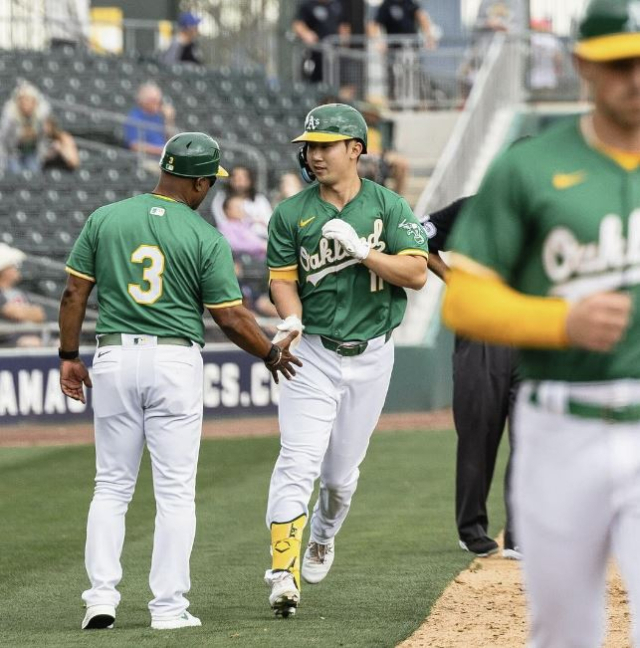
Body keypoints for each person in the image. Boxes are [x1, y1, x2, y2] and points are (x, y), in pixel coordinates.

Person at [442, 1, 640, 644]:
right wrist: (560, 321)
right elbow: (464, 303)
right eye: (618, 66)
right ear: (584, 67)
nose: (634, 79)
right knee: (562, 631)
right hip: (562, 426)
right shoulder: (525, 170)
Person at [58, 132, 301, 631]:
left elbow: (72, 295)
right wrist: (271, 353)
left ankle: (100, 599)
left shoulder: (105, 218)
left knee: (110, 486)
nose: (210, 188)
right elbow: (232, 318)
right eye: (209, 181)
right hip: (173, 360)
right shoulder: (205, 235)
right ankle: (167, 608)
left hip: (115, 356)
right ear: (195, 181)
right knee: (174, 494)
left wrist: (67, 357)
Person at [263, 103, 429, 617]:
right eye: (310, 146)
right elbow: (282, 279)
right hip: (312, 352)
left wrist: (363, 253)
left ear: (355, 149)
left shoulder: (391, 206)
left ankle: (323, 534)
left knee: (339, 477)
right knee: (297, 460)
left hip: (373, 353)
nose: (314, 155)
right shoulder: (291, 213)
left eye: (325, 145)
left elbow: (417, 273)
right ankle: (282, 573)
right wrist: (290, 319)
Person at [421, 198, 520, 559]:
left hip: (535, 332)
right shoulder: (472, 209)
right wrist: (450, 276)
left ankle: (521, 533)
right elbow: (417, 236)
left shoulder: (556, 211)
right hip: (482, 332)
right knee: (479, 431)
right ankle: (472, 528)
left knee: (533, 436)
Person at [367, 0, 438, 104]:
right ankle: (395, 103)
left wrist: (429, 37)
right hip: (394, 52)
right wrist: (378, 42)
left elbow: (422, 17)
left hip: (411, 49)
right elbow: (373, 25)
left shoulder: (409, 3)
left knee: (413, 77)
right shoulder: (387, 5)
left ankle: (415, 103)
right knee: (395, 79)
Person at [292, 0, 350, 84]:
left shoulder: (337, 5)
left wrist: (345, 42)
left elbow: (344, 25)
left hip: (335, 53)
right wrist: (307, 34)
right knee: (316, 81)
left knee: (340, 81)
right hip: (316, 54)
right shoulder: (308, 4)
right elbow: (298, 24)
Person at [0, 81, 51, 174]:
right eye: (23, 100)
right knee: (15, 172)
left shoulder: (41, 116)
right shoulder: (10, 116)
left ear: (35, 102)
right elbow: (3, 139)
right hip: (13, 152)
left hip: (32, 152)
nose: (26, 104)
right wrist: (20, 136)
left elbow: (45, 138)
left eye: (29, 100)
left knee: (35, 172)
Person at [0, 243, 45, 347]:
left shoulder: (20, 292)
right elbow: (13, 312)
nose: (17, 269)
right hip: (7, 341)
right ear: (4, 270)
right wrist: (27, 312)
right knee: (31, 342)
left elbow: (40, 314)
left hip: (31, 336)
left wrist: (25, 313)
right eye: (13, 266)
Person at [211, 165, 272, 238]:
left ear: (250, 180)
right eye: (235, 177)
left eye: (242, 178)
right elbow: (221, 222)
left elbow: (268, 223)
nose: (239, 181)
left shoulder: (260, 200)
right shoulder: (221, 198)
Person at [124, 83, 176, 157]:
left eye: (159, 101)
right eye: (154, 100)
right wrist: (160, 150)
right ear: (144, 101)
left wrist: (169, 120)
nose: (158, 104)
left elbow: (171, 141)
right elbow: (135, 146)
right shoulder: (134, 117)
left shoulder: (159, 116)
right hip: (147, 159)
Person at [216, 195, 267, 259]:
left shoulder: (241, 224)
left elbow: (248, 223)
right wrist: (260, 246)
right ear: (227, 210)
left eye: (242, 207)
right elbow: (235, 246)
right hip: (248, 261)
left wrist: (257, 221)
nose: (242, 210)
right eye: (238, 207)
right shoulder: (225, 227)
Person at [529, 18, 564, 98]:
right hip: (547, 75)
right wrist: (558, 67)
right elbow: (558, 57)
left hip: (537, 75)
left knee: (537, 100)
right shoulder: (551, 40)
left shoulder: (533, 38)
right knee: (547, 100)